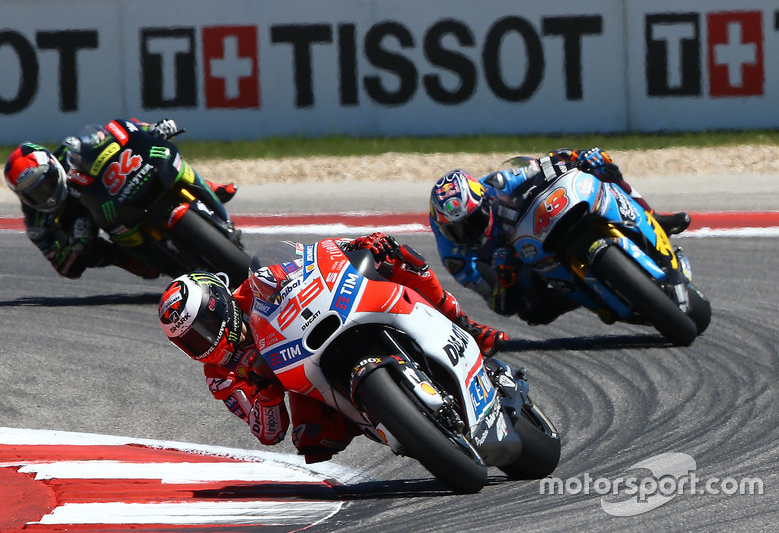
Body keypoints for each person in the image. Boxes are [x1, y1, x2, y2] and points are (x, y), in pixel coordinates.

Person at [158, 234, 509, 464]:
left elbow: (310, 259)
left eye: (202, 328)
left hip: (327, 319)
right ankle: (392, 419)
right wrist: (264, 393)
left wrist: (357, 243)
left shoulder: (251, 289)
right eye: (189, 342)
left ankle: (464, 325)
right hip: (303, 378)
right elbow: (268, 432)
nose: (203, 343)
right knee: (311, 440)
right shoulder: (220, 377)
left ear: (219, 304)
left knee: (393, 254)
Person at [428, 147, 692, 325]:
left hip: (537, 223)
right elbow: (500, 304)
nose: (467, 233)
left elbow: (542, 165)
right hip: (515, 258)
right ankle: (590, 296)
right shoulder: (456, 258)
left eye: (472, 221)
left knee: (599, 165)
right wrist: (506, 280)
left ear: (484, 201)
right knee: (533, 312)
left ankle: (652, 216)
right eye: (455, 230)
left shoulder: (496, 184)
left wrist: (574, 156)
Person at [3, 118, 238, 280]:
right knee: (139, 267)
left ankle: (206, 187)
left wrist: (151, 129)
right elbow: (63, 266)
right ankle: (148, 259)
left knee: (160, 155)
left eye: (46, 183)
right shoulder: (35, 221)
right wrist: (76, 244)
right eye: (34, 193)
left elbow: (117, 134)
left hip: (113, 192)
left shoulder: (69, 152)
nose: (45, 193)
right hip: (97, 223)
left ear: (53, 166)